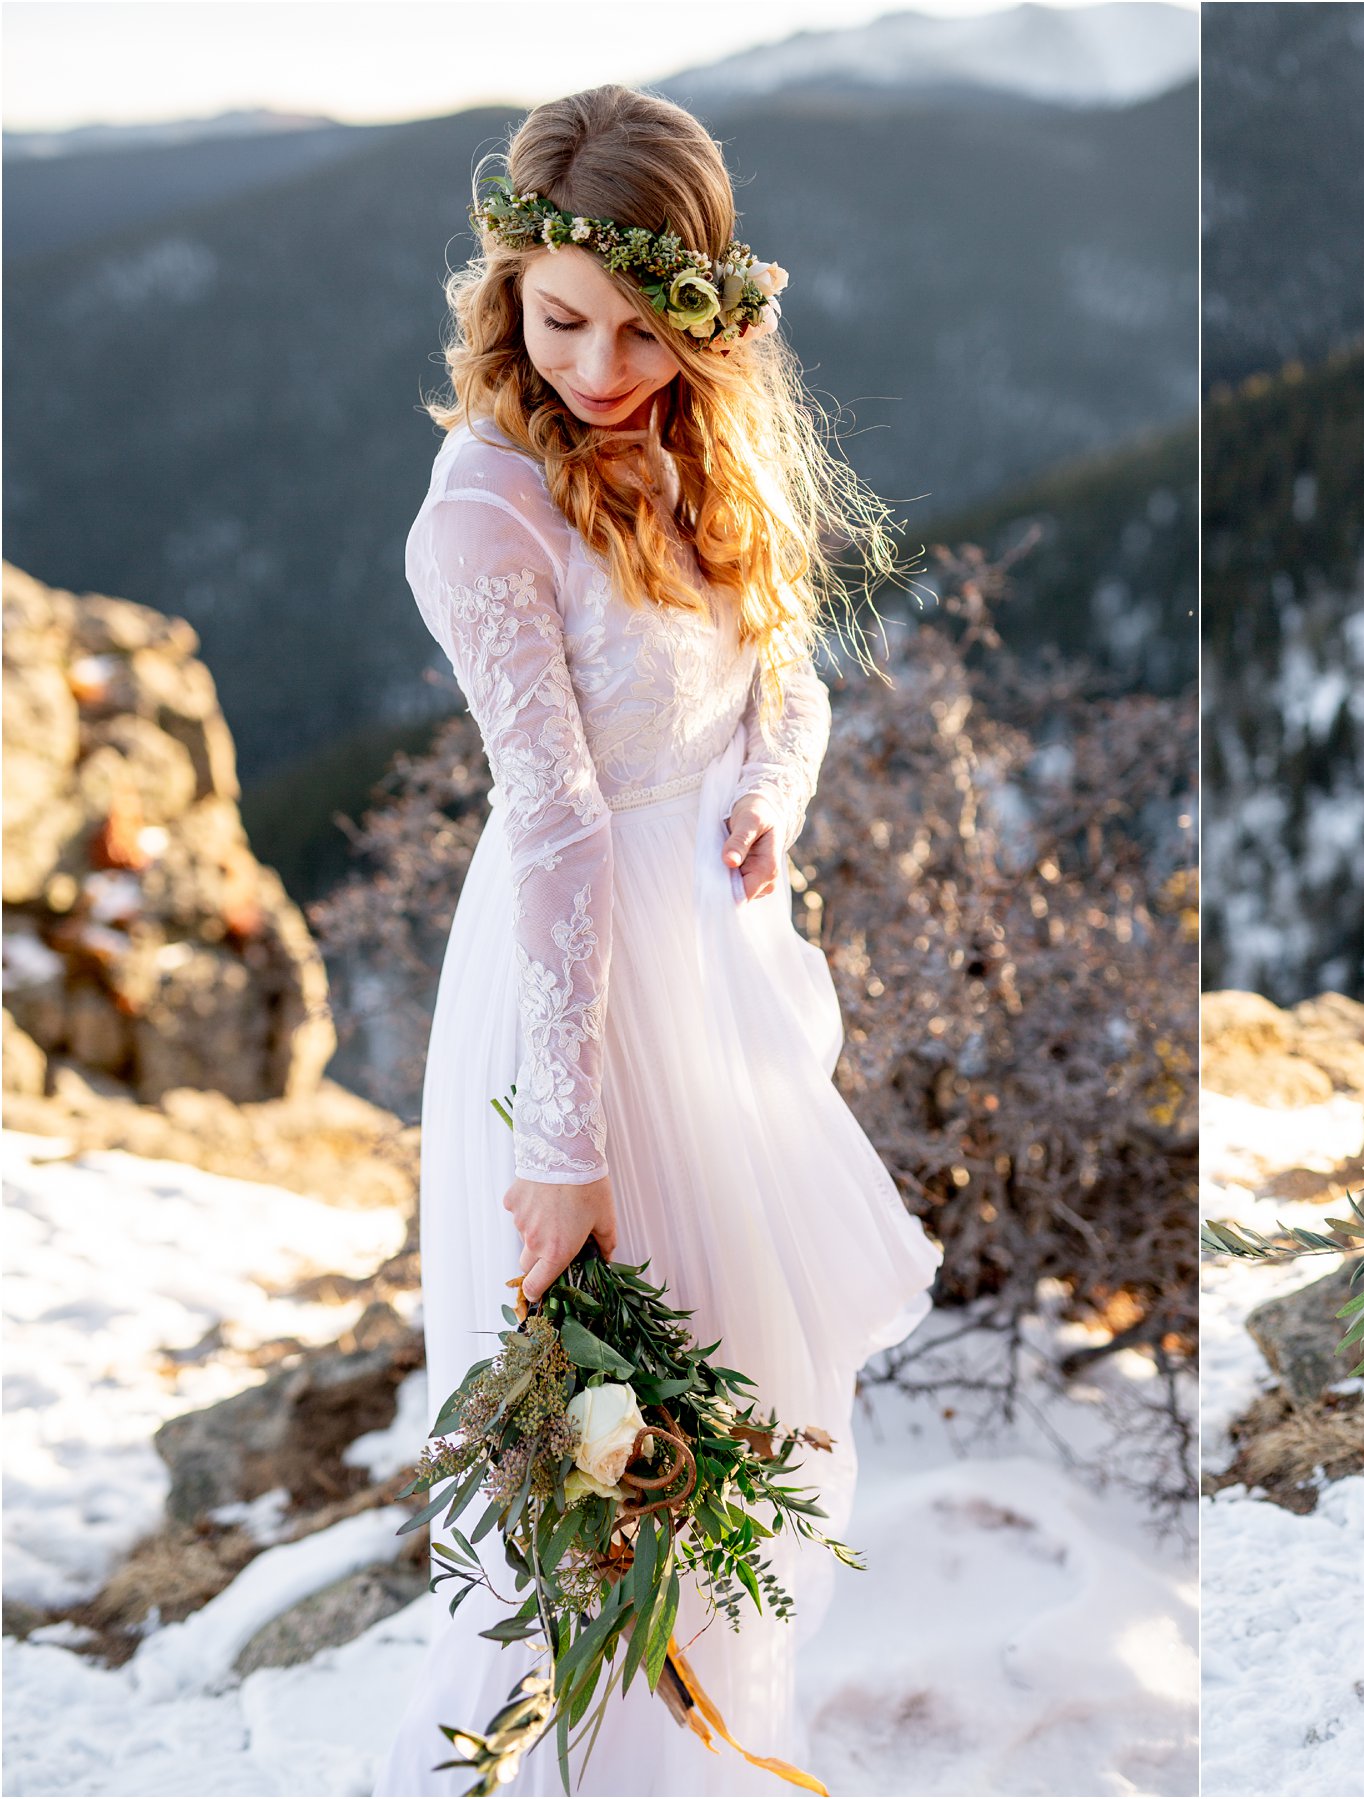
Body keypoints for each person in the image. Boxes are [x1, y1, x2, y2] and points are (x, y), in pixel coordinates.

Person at [373, 86, 942, 1795]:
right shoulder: (482, 516)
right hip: (575, 1005)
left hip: (710, 968)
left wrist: (770, 785)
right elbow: (551, 826)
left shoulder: (701, 437)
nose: (601, 366)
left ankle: (703, 1755)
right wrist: (557, 1150)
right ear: (505, 294)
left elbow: (787, 666)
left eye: (640, 327)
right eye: (560, 319)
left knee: (742, 1412)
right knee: (603, 1455)